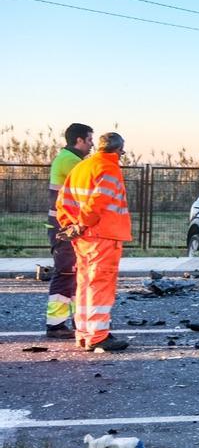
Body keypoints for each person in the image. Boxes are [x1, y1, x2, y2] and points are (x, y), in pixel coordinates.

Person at [55, 132, 131, 352]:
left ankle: (84, 333)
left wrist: (72, 226)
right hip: (103, 235)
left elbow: (63, 201)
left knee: (85, 283)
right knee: (101, 284)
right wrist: (83, 223)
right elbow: (98, 201)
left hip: (83, 237)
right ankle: (98, 336)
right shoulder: (109, 168)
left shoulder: (81, 167)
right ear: (118, 150)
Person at [45, 123, 93, 339]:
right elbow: (91, 182)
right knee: (65, 273)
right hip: (63, 226)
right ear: (79, 140)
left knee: (73, 274)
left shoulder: (68, 158)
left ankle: (75, 320)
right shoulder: (71, 161)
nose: (92, 144)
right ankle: (55, 325)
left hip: (67, 225)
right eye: (90, 139)